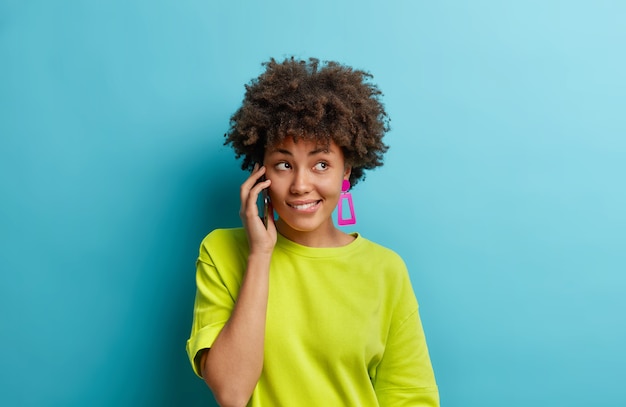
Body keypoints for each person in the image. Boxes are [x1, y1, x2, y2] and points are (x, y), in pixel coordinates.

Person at [186, 57, 439, 407]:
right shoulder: (221, 252)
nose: (301, 185)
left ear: (346, 170)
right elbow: (231, 393)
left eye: (321, 164)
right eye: (284, 165)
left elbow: (409, 397)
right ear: (261, 172)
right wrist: (260, 255)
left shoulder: (386, 270)